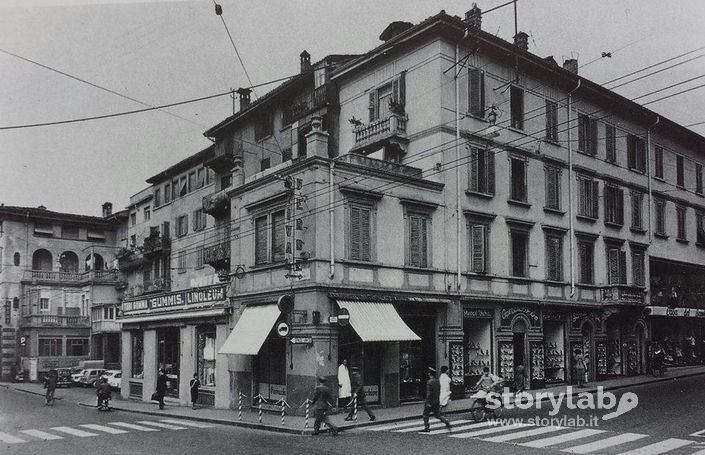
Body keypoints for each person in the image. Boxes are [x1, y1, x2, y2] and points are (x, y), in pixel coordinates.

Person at [422, 367, 451, 433]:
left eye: (428, 373)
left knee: (425, 414)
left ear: (430, 374)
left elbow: (429, 393)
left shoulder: (429, 382)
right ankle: (446, 421)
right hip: (436, 401)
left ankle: (427, 427)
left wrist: (427, 402)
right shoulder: (437, 381)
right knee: (437, 415)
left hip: (430, 401)